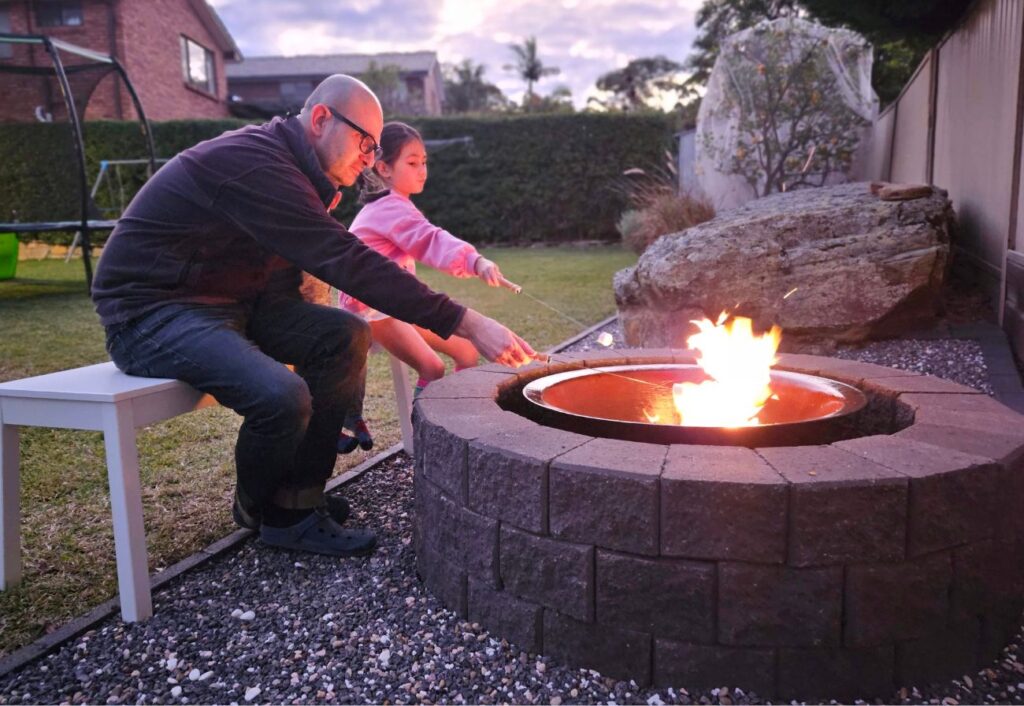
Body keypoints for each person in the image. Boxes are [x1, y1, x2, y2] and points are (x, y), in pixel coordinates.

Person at [90, 75, 536, 558]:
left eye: (374, 149)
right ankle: (260, 507)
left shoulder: (301, 175)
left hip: (234, 304)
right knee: (281, 395)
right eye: (365, 142)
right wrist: (465, 321)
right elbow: (344, 259)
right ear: (322, 119)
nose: (369, 158)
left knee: (344, 334)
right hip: (152, 309)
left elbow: (290, 279)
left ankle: (296, 502)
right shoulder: (258, 163)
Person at [335, 122, 520, 454]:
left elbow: (425, 238)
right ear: (383, 168)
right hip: (369, 308)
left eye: (424, 162)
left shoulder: (398, 205)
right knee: (432, 366)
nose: (422, 170)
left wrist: (474, 262)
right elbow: (430, 239)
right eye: (412, 162)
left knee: (465, 350)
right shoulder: (387, 208)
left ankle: (463, 420)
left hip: (396, 305)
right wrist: (474, 261)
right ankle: (428, 441)